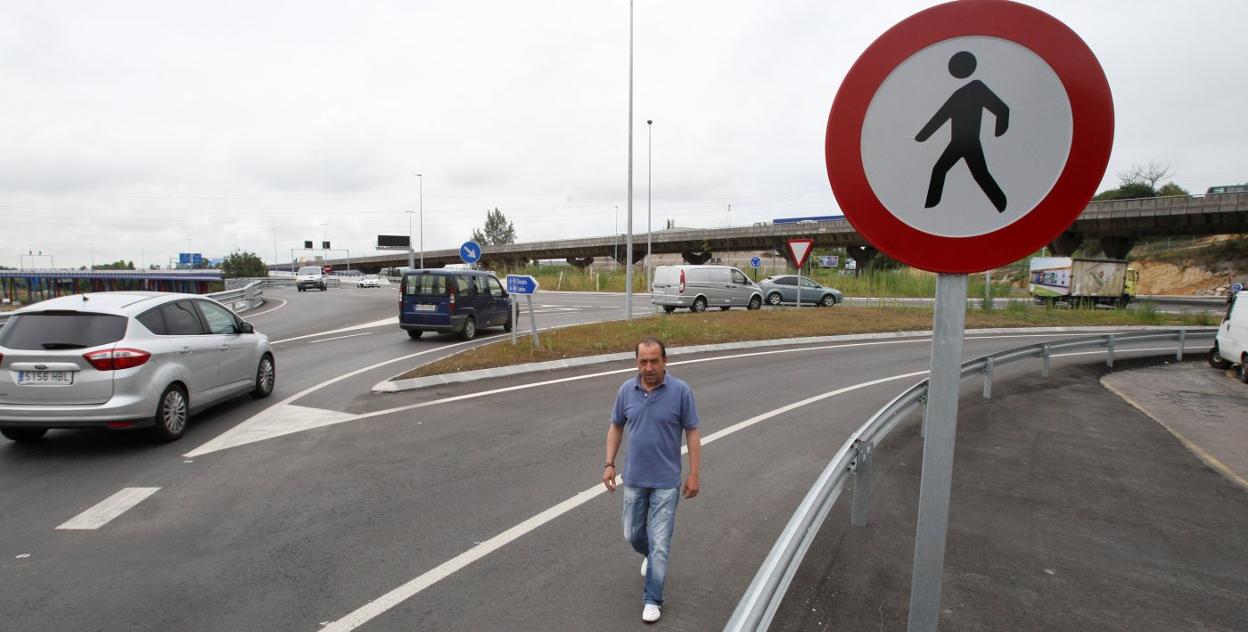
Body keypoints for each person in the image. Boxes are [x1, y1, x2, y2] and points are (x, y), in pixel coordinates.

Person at [603, 336, 701, 624]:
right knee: (632, 535)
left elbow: (692, 433)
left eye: (654, 361)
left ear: (665, 361)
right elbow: (616, 426)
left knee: (660, 543)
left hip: (666, 483)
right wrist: (609, 464)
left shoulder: (681, 392)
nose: (648, 367)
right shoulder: (626, 390)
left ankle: (652, 598)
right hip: (633, 478)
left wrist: (694, 474)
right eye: (643, 361)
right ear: (637, 362)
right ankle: (650, 556)